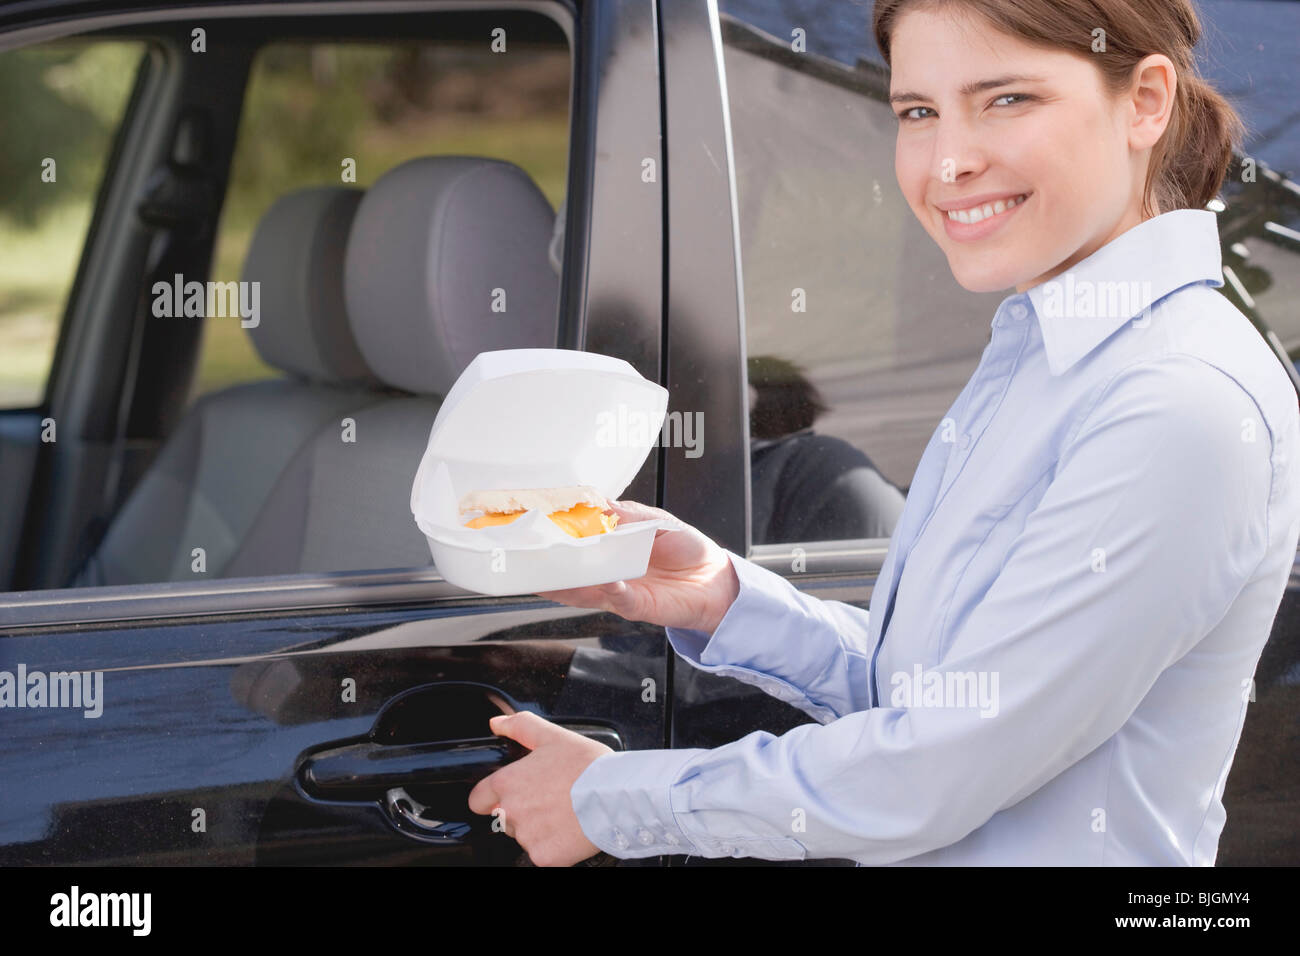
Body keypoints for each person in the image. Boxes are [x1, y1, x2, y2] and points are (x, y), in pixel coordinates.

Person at [466, 0, 1300, 866]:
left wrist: (608, 802)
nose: (950, 161)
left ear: (1146, 102)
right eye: (918, 112)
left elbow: (934, 772)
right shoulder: (1047, 351)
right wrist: (724, 598)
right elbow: (936, 695)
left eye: (1008, 99)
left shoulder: (1175, 402)